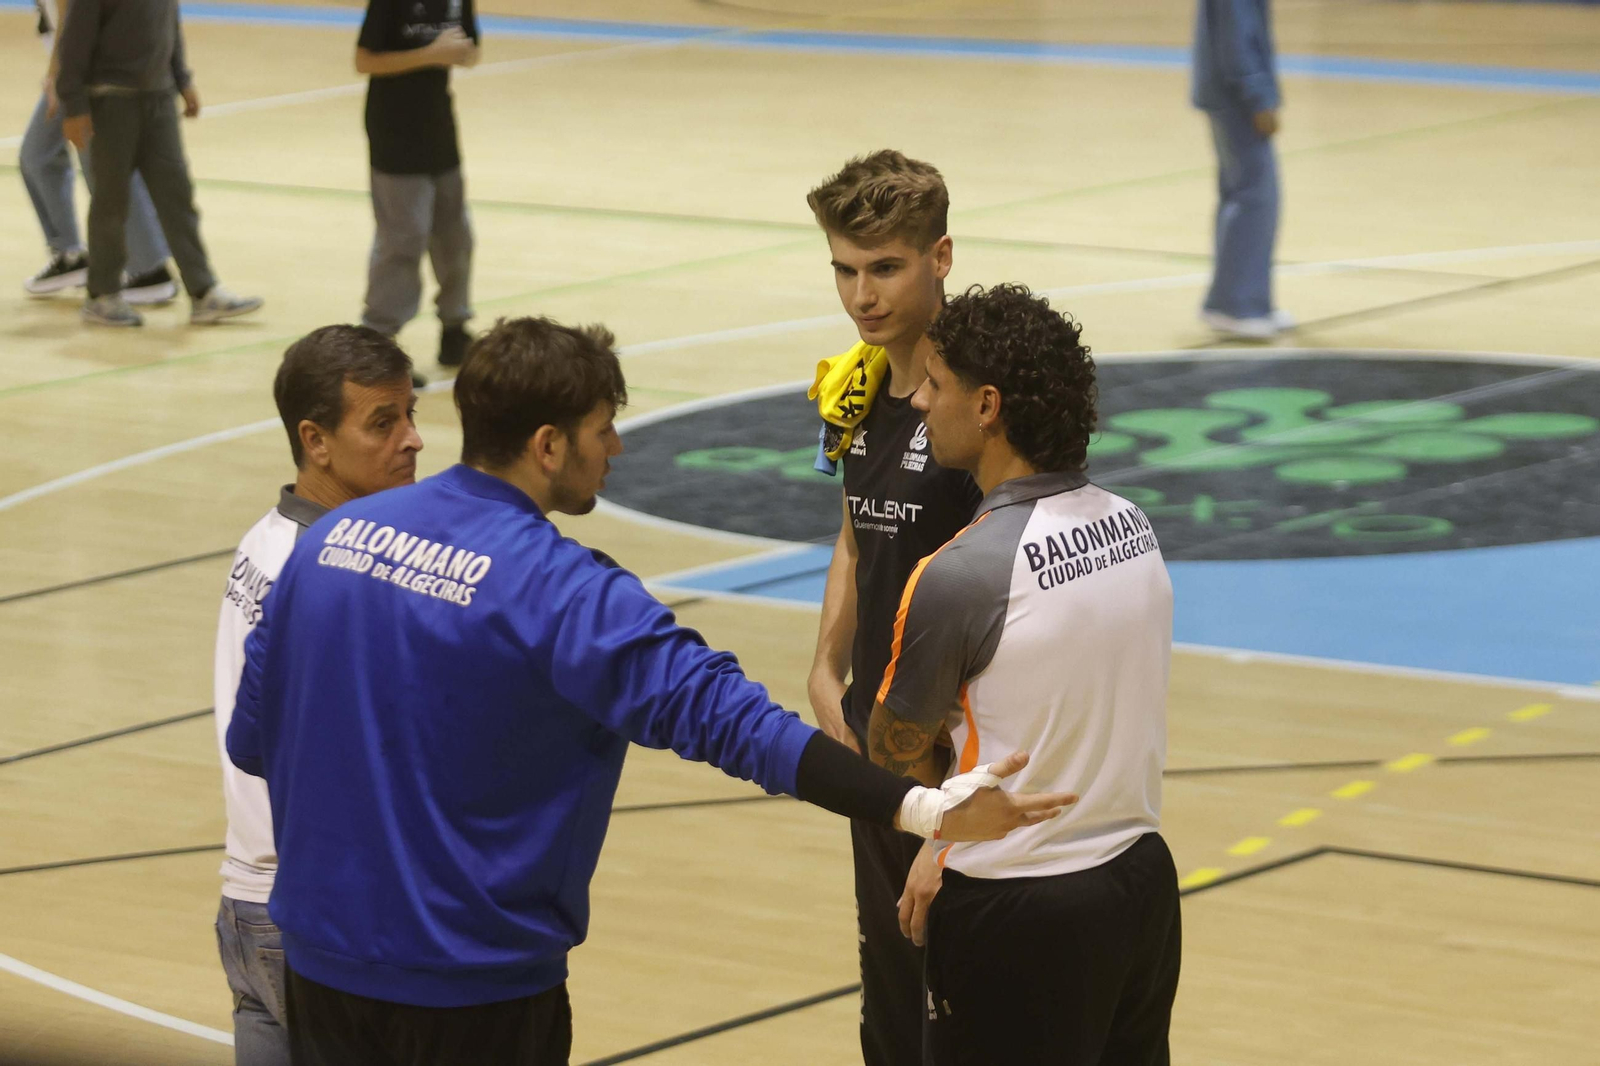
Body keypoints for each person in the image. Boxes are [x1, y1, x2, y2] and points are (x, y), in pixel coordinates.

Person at [225, 315, 1074, 1066]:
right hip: (473, 995)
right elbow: (739, 728)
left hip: (322, 972)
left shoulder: (329, 542)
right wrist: (921, 810)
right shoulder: (566, 591)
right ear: (548, 446)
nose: (617, 449)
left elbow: (252, 741)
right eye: (604, 430)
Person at [872, 284, 1181, 1065]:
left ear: (987, 406)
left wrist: (940, 842)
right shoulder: (1131, 525)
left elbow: (890, 749)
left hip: (1019, 907)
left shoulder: (962, 574)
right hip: (1140, 887)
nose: (917, 401)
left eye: (935, 384)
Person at [803, 150, 983, 1066]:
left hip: (959, 758)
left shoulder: (980, 404)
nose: (861, 295)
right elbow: (853, 531)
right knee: (888, 998)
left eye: (884, 268)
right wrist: (825, 662)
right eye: (844, 268)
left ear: (940, 257)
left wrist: (965, 801)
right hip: (874, 744)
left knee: (962, 999)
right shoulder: (855, 385)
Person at [212, 326, 423, 1065]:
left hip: (246, 904)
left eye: (410, 414)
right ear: (316, 440)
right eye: (382, 422)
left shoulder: (262, 540)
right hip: (311, 918)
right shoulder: (326, 575)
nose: (413, 440)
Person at [53, 0, 262, 327]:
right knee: (111, 203)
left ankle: (204, 291)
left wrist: (183, 79)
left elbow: (170, 27)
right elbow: (74, 41)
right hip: (111, 102)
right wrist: (73, 104)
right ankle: (102, 295)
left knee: (177, 196)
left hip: (159, 100)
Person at [20, 0, 176, 304]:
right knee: (38, 155)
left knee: (104, 168)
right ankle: (70, 255)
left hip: (90, 71)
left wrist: (57, 74)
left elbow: (69, 15)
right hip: (79, 68)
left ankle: (151, 271)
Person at [355, 0, 479, 372]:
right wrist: (430, 53)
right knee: (403, 239)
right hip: (394, 133)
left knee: (455, 236)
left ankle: (454, 330)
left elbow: (469, 51)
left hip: (439, 128)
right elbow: (365, 61)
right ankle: (378, 342)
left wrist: (460, 53)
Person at [1192, 0, 1294, 340]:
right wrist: (1258, 95)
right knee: (1256, 197)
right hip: (1235, 94)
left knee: (1242, 193)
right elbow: (1236, 37)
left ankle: (1240, 300)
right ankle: (1237, 305)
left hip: (1225, 90)